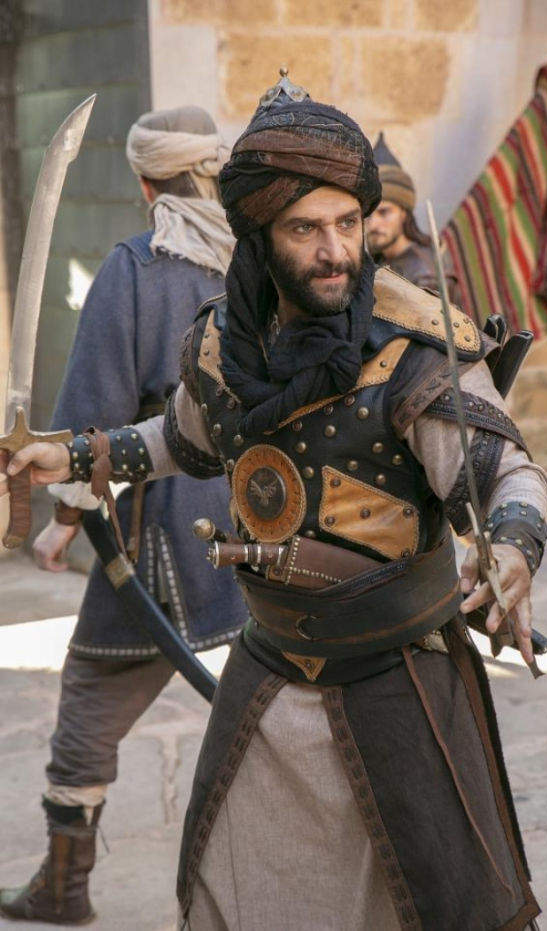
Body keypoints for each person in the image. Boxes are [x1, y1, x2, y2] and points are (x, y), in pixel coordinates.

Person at [2, 74, 547, 931]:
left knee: (434, 903)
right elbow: (181, 439)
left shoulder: (413, 349)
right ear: (257, 237)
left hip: (398, 684)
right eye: (306, 228)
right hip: (268, 679)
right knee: (236, 892)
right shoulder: (222, 344)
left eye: (348, 223)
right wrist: (75, 453)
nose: (337, 251)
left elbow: (507, 473)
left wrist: (511, 546)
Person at [0, 106, 247, 925]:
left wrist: (63, 521)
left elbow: (90, 423)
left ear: (146, 185)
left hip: (166, 524)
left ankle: (62, 886)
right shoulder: (258, 259)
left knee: (89, 698)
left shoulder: (137, 268)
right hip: (267, 520)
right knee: (271, 691)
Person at [366, 132, 460, 302]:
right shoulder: (379, 260)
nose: (373, 225)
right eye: (367, 215)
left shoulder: (425, 276)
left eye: (384, 212)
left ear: (404, 213)